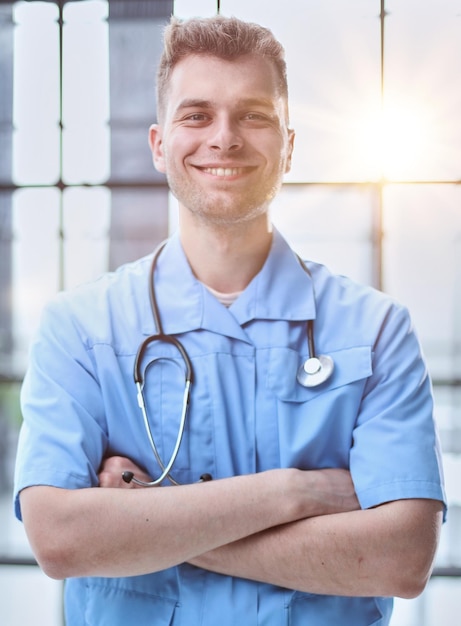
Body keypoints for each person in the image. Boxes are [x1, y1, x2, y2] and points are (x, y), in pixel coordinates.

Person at [14, 14, 446, 626]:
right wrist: (296, 493)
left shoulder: (375, 331)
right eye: (197, 116)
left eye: (254, 115)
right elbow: (59, 541)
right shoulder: (81, 328)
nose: (225, 138)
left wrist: (147, 521)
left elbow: (401, 559)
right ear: (161, 144)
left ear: (288, 145)